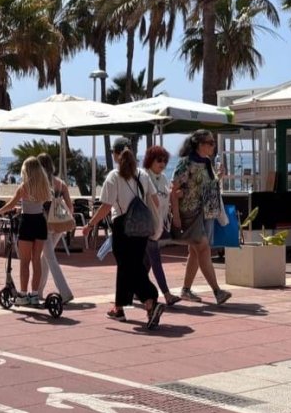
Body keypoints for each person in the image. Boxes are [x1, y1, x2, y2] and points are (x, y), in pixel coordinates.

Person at [83, 138, 165, 329]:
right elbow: (155, 201)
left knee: (129, 267)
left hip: (122, 226)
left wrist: (90, 224)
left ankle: (150, 300)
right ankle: (119, 307)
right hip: (142, 227)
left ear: (116, 154)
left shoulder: (114, 176)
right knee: (130, 266)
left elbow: (106, 206)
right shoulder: (142, 175)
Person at [172, 130, 232, 305]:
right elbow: (173, 190)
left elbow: (209, 185)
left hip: (207, 210)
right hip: (190, 212)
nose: (213, 146)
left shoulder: (206, 162)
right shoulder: (186, 163)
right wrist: (175, 214)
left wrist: (219, 176)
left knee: (195, 251)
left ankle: (186, 289)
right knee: (203, 248)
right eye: (210, 142)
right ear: (200, 144)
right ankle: (217, 291)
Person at [0, 157, 52, 305]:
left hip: (27, 223)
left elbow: (10, 205)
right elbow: (37, 204)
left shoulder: (23, 187)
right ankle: (34, 294)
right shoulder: (44, 186)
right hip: (40, 222)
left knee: (24, 262)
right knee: (36, 261)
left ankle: (22, 294)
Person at [34, 154, 75, 304]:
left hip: (45, 224)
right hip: (59, 224)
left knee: (50, 258)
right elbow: (70, 206)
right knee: (45, 259)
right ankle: (38, 292)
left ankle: (65, 292)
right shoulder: (61, 183)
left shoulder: (40, 183)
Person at [144, 145, 180, 306]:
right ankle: (166, 294)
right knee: (155, 259)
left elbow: (167, 198)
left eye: (165, 161)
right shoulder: (144, 177)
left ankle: (133, 289)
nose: (162, 164)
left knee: (146, 262)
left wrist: (177, 194)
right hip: (147, 227)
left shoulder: (164, 178)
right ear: (150, 160)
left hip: (159, 226)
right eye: (159, 160)